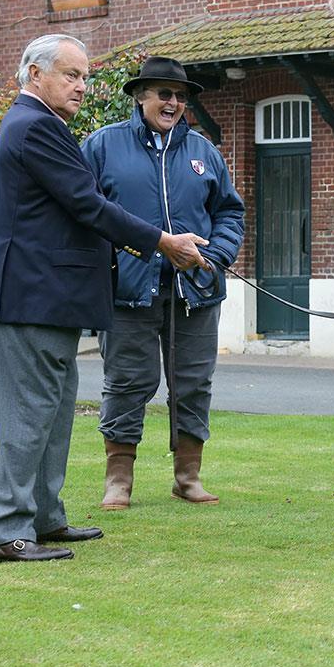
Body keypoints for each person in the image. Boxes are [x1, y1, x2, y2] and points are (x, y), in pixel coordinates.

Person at [0, 35, 210, 563]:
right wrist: (163, 241)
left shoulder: (44, 126)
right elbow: (89, 205)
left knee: (53, 416)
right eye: (71, 74)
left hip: (50, 301)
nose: (82, 85)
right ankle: (2, 530)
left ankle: (42, 518)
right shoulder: (35, 126)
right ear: (35, 75)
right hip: (28, 299)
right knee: (29, 418)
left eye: (84, 76)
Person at [81, 56, 244, 510]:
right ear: (140, 96)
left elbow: (230, 212)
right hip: (128, 292)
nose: (173, 103)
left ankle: (187, 478)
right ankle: (119, 481)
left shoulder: (204, 152)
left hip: (195, 291)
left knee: (193, 383)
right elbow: (82, 212)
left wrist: (215, 256)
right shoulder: (102, 146)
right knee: (127, 382)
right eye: (163, 94)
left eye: (180, 96)